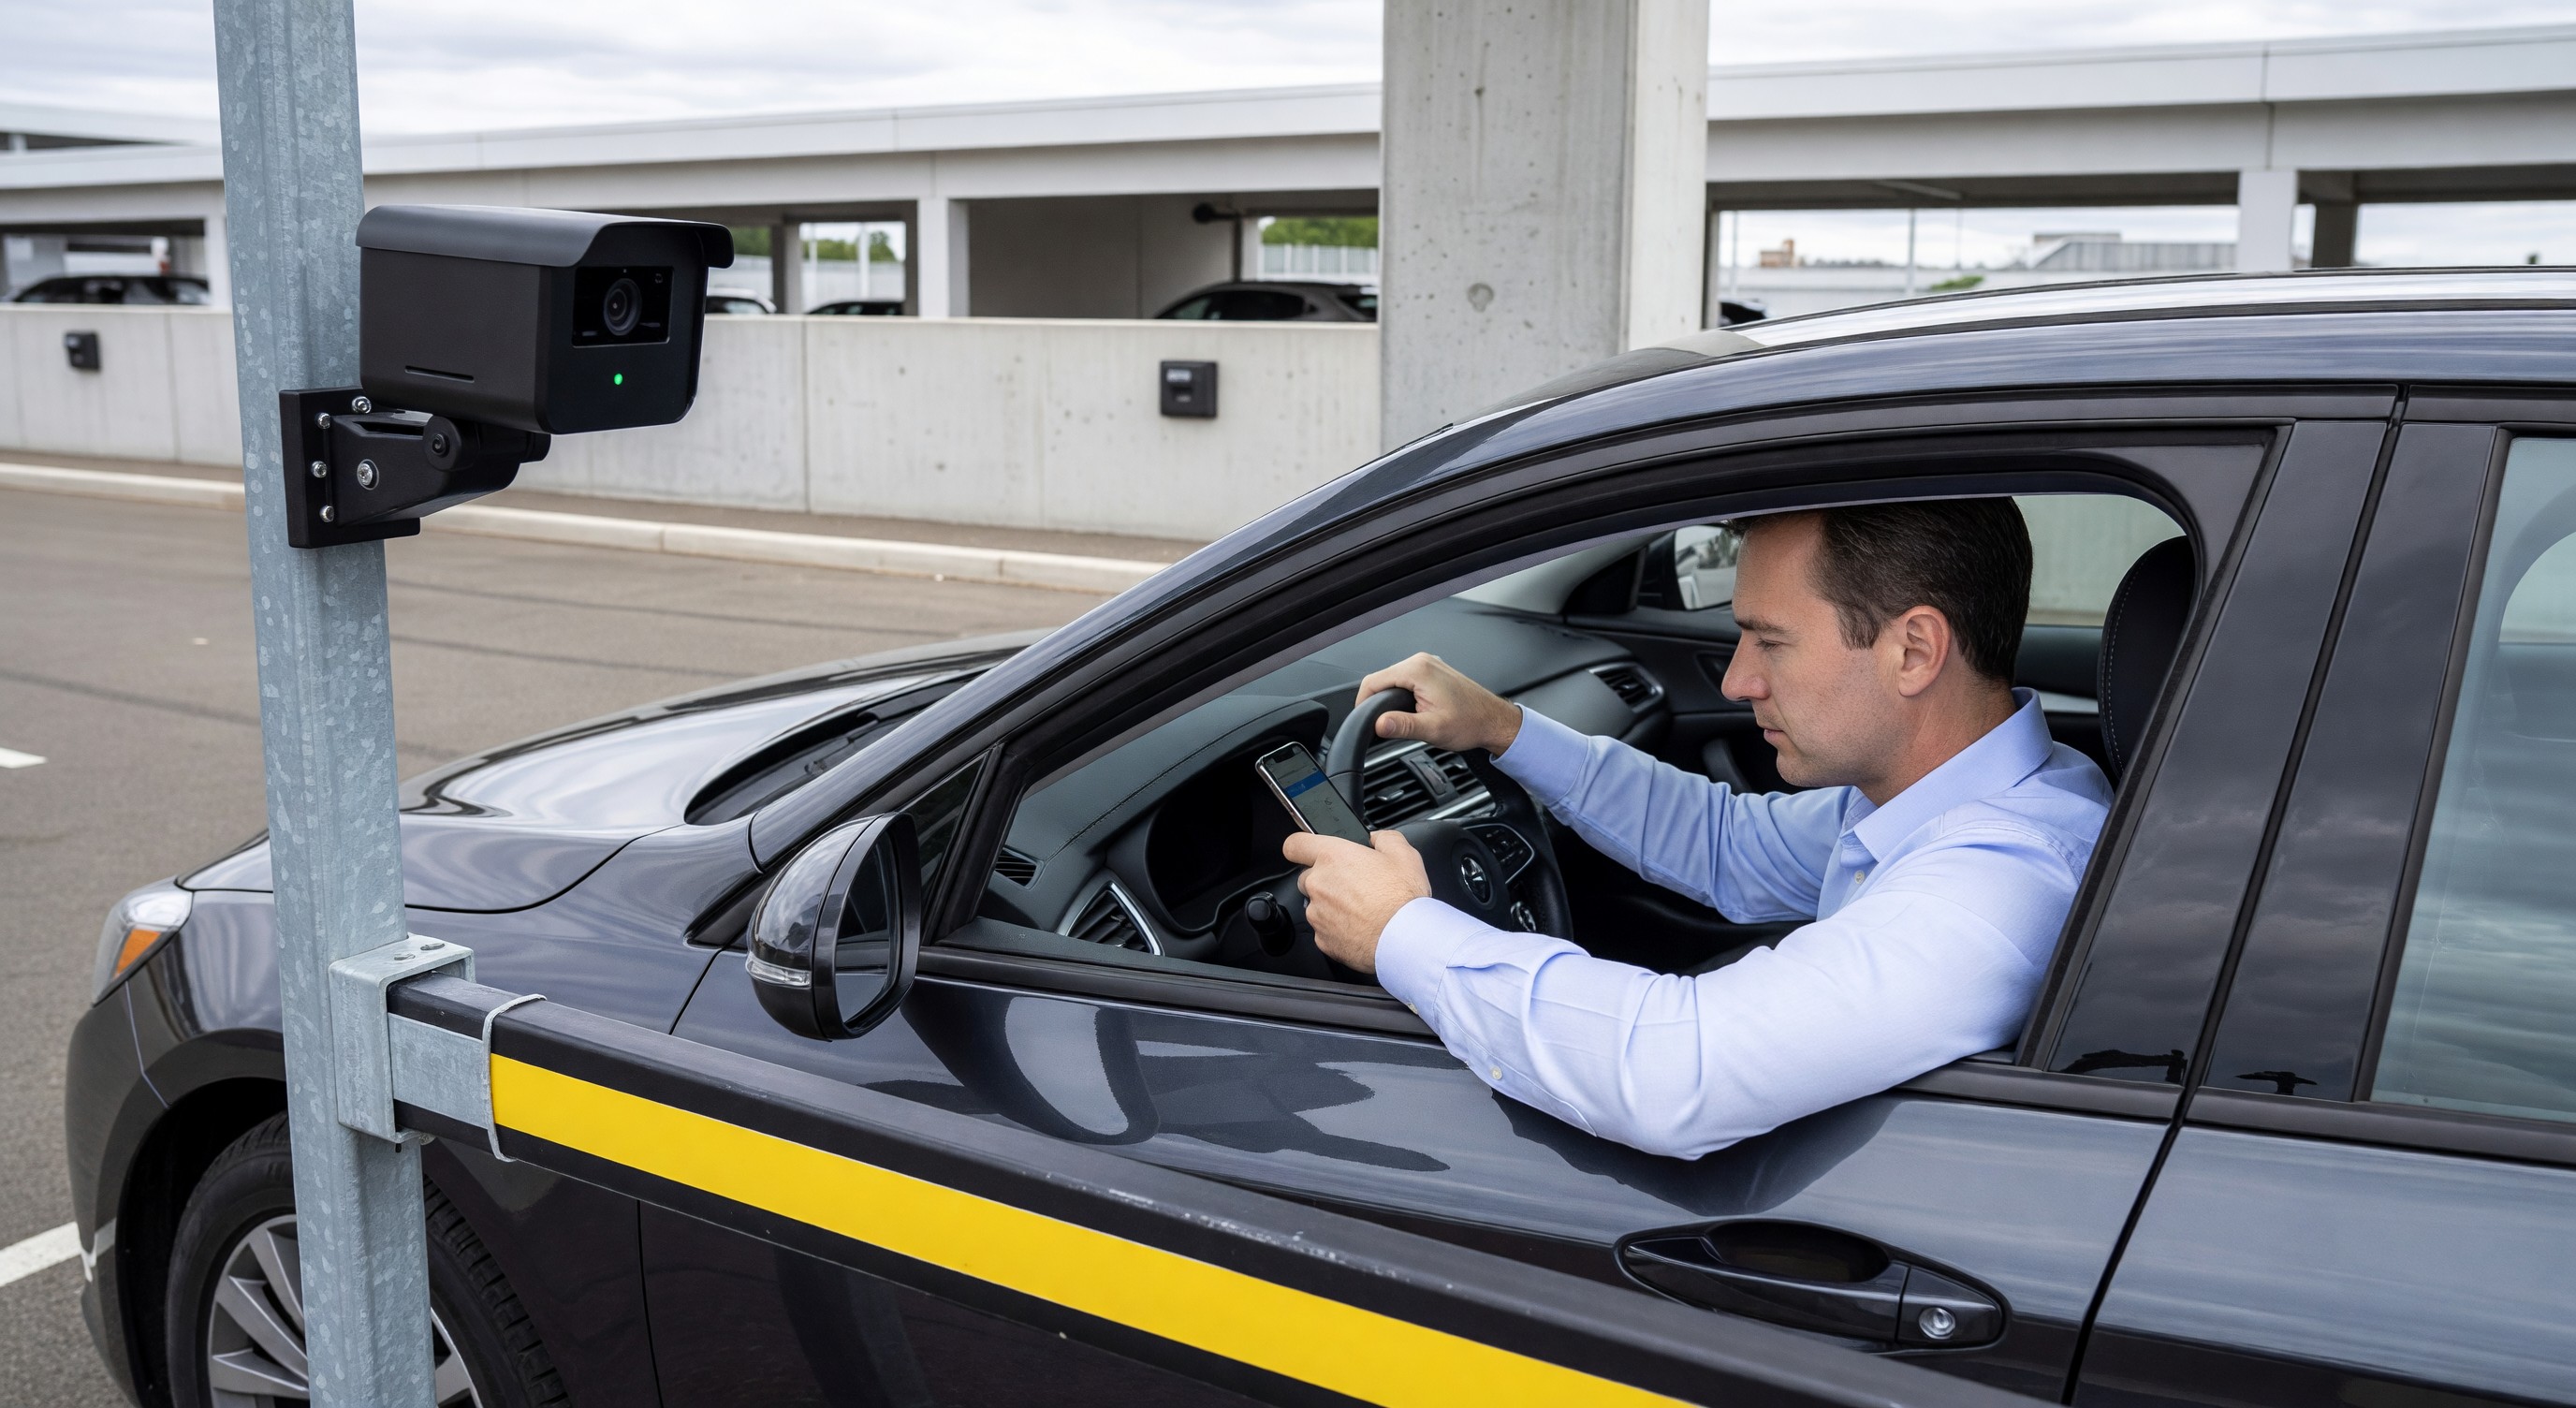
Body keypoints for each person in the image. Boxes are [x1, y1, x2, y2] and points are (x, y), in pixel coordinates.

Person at [1282, 500, 2112, 1158]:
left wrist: (1400, 931)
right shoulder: (1968, 794)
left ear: (1915, 650)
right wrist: (1505, 729)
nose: (1737, 677)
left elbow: (1676, 1071)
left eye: (1770, 640)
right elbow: (1729, 844)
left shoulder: (1995, 884)